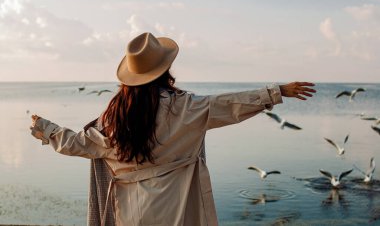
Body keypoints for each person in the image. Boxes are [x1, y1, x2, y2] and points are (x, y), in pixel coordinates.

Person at [30, 32, 316, 226]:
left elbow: (77, 143)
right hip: (179, 211)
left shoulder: (114, 119)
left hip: (131, 213)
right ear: (166, 71)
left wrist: (46, 128)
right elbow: (230, 105)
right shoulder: (186, 108)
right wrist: (276, 91)